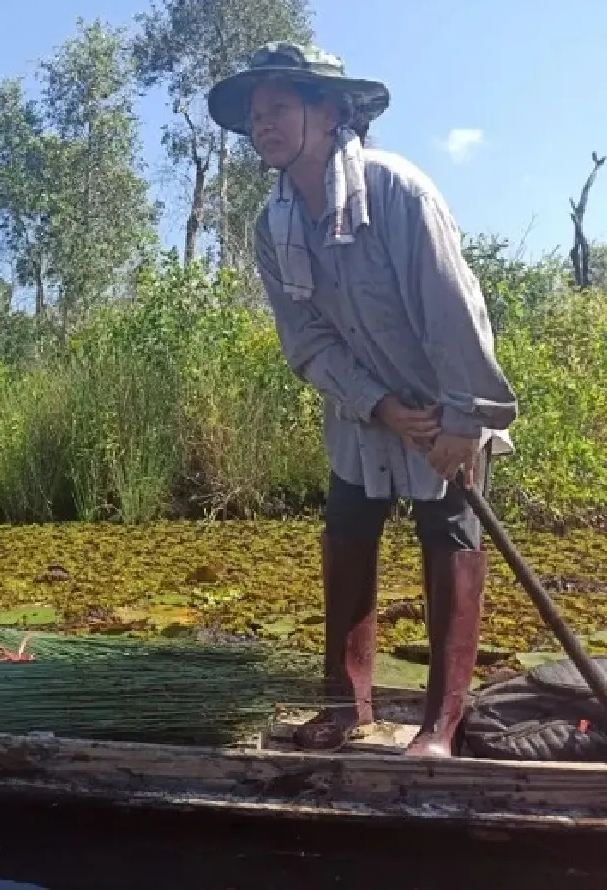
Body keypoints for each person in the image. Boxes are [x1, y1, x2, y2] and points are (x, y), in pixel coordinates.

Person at [207, 42, 518, 758]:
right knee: (347, 536)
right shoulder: (272, 226)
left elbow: (454, 314)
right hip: (362, 415)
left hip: (447, 410)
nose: (264, 125)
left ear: (329, 112)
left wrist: (460, 425)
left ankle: (442, 723)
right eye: (256, 115)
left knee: (451, 538)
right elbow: (307, 341)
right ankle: (345, 708)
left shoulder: (398, 193)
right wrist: (379, 406)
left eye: (279, 108)